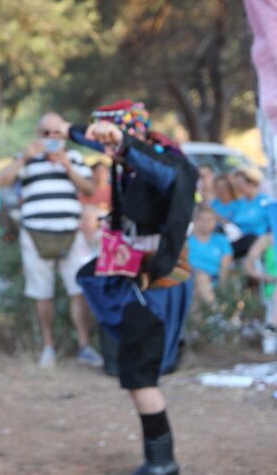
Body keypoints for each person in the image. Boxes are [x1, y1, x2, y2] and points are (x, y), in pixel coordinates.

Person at [72, 100, 197, 475]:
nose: (105, 146)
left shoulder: (161, 165)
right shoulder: (134, 162)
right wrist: (68, 130)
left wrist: (122, 143)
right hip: (143, 279)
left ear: (127, 134)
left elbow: (162, 173)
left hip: (154, 283)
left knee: (140, 376)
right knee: (137, 374)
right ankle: (160, 459)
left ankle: (162, 462)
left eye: (111, 137)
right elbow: (99, 142)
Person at [0, 112, 102, 369]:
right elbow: (2, 181)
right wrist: (24, 157)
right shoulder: (27, 159)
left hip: (70, 232)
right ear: (38, 134)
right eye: (46, 133)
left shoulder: (74, 158)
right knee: (42, 294)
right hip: (35, 234)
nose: (52, 138)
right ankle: (48, 347)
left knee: (79, 290)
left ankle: (84, 346)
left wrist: (67, 167)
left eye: (57, 133)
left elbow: (90, 190)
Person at [187, 206, 233, 306]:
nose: (205, 222)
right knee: (200, 278)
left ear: (215, 222)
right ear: (195, 220)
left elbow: (226, 264)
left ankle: (212, 313)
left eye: (209, 219)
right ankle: (215, 312)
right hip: (190, 278)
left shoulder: (222, 241)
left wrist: (222, 285)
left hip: (214, 280)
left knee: (201, 283)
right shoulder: (187, 242)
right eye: (202, 218)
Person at [229, 167, 270, 258]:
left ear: (251, 182)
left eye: (240, 184)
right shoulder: (239, 204)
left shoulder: (265, 202)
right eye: (236, 185)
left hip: (257, 241)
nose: (238, 188)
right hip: (238, 240)